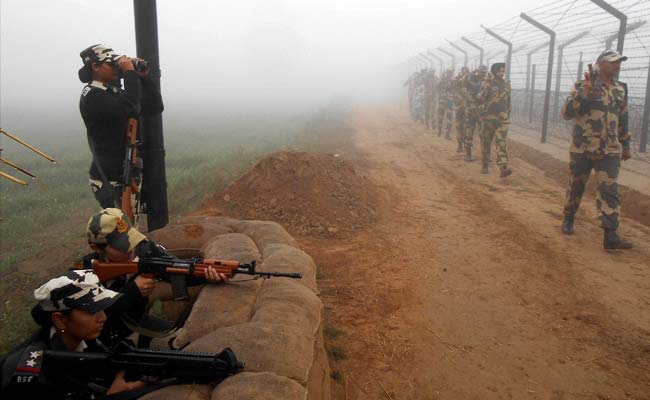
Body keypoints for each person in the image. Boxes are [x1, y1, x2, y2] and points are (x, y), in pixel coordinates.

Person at [80, 208, 228, 347]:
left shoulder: (145, 249)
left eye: (130, 239)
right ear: (96, 247)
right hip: (101, 340)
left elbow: (177, 268)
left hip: (139, 325)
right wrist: (132, 291)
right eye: (121, 245)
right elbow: (90, 319)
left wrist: (206, 274)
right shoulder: (83, 273)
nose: (130, 248)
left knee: (190, 343)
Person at [0, 270, 145, 398]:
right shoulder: (30, 375)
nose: (103, 318)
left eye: (101, 308)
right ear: (60, 320)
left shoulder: (84, 338)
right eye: (91, 311)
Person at [560, 50, 633, 249]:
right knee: (576, 185)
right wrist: (584, 93)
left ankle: (610, 235)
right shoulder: (583, 85)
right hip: (582, 147)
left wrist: (625, 144)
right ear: (600, 64)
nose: (617, 65)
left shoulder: (620, 89)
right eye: (613, 62)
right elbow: (566, 113)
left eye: (619, 62)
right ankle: (568, 217)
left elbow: (622, 119)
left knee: (609, 189)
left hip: (609, 149)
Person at [78, 44, 164, 209]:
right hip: (109, 177)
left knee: (131, 227)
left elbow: (155, 107)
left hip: (125, 172)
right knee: (122, 229)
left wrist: (144, 77)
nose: (117, 69)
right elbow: (132, 108)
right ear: (95, 66)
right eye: (112, 64)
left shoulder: (112, 92)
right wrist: (130, 73)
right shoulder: (93, 96)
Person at [479, 62, 512, 177]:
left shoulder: (507, 85)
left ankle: (503, 167)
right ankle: (484, 164)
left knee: (501, 142)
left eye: (503, 71)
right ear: (494, 72)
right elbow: (480, 98)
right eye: (499, 71)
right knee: (486, 142)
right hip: (489, 119)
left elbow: (508, 101)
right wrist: (486, 89)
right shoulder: (487, 84)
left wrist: (508, 114)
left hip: (502, 119)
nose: (501, 74)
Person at [464, 65, 488, 162]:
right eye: (481, 72)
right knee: (469, 133)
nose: (483, 74)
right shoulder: (471, 79)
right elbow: (465, 83)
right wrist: (470, 74)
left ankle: (485, 155)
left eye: (484, 72)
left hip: (481, 112)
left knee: (483, 134)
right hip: (471, 112)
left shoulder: (486, 82)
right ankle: (468, 154)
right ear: (478, 72)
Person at [437, 68, 455, 139]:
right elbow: (437, 88)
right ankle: (439, 131)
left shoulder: (452, 81)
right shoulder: (443, 80)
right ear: (447, 73)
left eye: (451, 73)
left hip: (449, 102)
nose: (451, 74)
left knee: (449, 118)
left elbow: (455, 90)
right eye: (450, 73)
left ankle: (447, 134)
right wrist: (442, 95)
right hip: (443, 101)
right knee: (441, 117)